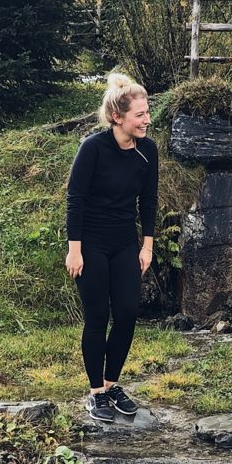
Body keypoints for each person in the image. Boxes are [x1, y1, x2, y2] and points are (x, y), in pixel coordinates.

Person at [65, 72, 158, 422]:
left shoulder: (148, 151)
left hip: (124, 243)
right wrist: (75, 249)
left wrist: (146, 246)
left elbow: (148, 201)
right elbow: (75, 200)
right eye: (140, 115)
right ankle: (95, 394)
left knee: (127, 314)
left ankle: (112, 384)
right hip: (90, 243)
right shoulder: (92, 148)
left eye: (147, 113)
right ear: (118, 117)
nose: (147, 120)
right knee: (97, 317)